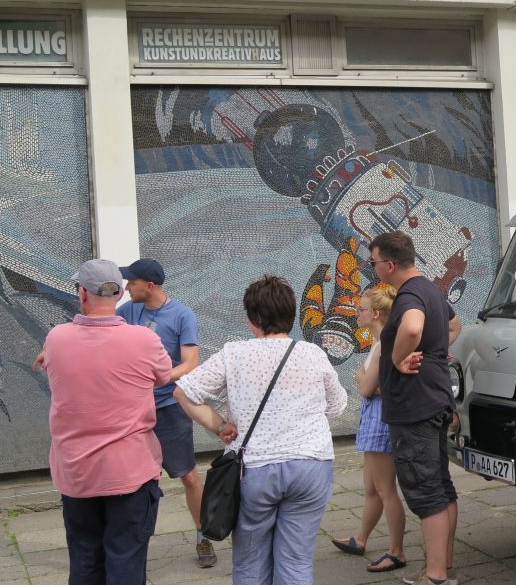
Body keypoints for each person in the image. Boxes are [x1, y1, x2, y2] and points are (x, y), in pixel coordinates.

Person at [173, 275, 347, 585]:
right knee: (295, 561)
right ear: (291, 317)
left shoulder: (234, 353)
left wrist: (220, 426)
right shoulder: (313, 354)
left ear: (253, 319)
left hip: (255, 469)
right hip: (311, 466)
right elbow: (336, 406)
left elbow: (184, 392)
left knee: (251, 564)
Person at [39, 259, 172, 585]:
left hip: (77, 473)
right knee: (125, 562)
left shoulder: (56, 339)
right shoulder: (144, 340)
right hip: (130, 472)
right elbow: (164, 375)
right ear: (122, 291)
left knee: (84, 561)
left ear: (82, 293)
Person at [367, 232, 462, 585]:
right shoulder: (431, 289)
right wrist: (436, 353)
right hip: (435, 398)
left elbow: (411, 327)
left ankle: (435, 576)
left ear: (389, 265)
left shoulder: (408, 296)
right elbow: (455, 324)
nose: (372, 268)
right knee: (441, 485)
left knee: (425, 491)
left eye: (373, 262)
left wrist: (396, 357)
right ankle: (444, 564)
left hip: (415, 405)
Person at [115, 258, 215, 568]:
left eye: (131, 282)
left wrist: (157, 376)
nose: (126, 287)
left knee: (188, 477)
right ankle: (132, 545)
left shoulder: (181, 315)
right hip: (134, 410)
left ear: (149, 286)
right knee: (136, 483)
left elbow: (189, 364)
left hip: (170, 410)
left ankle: (203, 536)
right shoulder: (127, 311)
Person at [331, 285, 408, 573]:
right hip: (374, 417)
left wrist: (362, 375)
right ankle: (361, 538)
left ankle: (397, 551)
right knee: (372, 488)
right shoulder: (379, 344)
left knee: (385, 488)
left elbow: (365, 387)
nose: (356, 312)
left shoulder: (381, 346)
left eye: (361, 309)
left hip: (379, 420)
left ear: (375, 313)